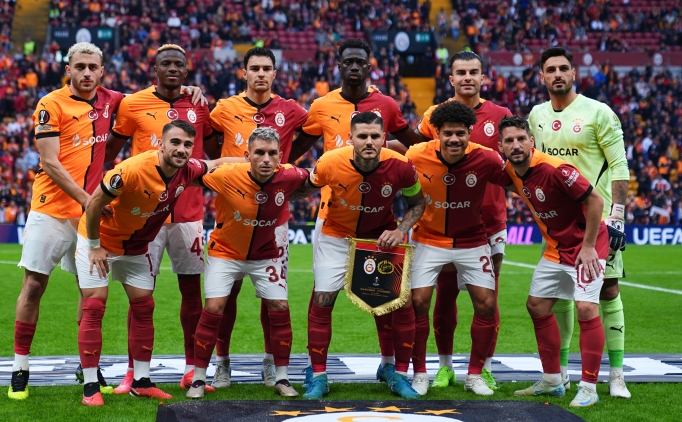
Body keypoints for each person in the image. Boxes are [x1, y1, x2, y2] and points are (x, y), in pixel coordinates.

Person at [288, 39, 424, 385]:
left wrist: (425, 159)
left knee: (387, 298)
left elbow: (413, 142)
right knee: (323, 295)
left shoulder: (387, 105)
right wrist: (273, 176)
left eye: (359, 62)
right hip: (332, 215)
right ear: (338, 65)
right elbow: (298, 148)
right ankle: (317, 370)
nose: (353, 67)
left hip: (379, 222)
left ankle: (391, 367)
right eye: (347, 61)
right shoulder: (321, 106)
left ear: (368, 66)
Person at [76, 120, 230, 406]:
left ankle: (142, 382)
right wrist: (95, 246)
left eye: (187, 145)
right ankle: (90, 386)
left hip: (136, 246)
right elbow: (94, 203)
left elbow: (217, 164)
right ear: (160, 144)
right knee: (94, 306)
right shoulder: (130, 170)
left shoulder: (187, 170)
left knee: (144, 307)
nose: (181, 149)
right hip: (99, 241)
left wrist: (251, 161)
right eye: (175, 142)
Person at [9, 42, 125, 400]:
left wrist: (188, 89)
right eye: (80, 66)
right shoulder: (51, 103)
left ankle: (87, 366)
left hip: (87, 214)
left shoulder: (113, 100)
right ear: (68, 69)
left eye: (93, 67)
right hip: (51, 209)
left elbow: (153, 100)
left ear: (102, 71)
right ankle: (20, 367)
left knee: (89, 293)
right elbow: (50, 162)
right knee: (33, 285)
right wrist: (89, 200)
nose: (87, 72)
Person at [104, 44, 213, 393]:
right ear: (154, 69)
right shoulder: (133, 103)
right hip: (144, 215)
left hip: (188, 214)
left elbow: (213, 153)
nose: (172, 68)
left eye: (178, 64)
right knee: (140, 297)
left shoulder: (199, 104)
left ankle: (193, 370)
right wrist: (102, 194)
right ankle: (133, 373)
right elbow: (108, 153)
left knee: (191, 292)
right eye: (165, 63)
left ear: (186, 71)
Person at [203, 47, 308, 389]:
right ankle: (222, 364)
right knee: (225, 296)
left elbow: (310, 134)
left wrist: (286, 168)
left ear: (274, 73)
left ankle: (270, 362)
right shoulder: (225, 108)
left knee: (273, 297)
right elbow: (206, 138)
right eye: (254, 68)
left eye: (266, 68)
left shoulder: (290, 109)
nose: (260, 73)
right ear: (244, 73)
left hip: (275, 221)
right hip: (230, 214)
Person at [529, 47, 630, 398]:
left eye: (563, 68)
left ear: (574, 73)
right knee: (560, 295)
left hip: (597, 221)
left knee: (608, 289)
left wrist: (618, 214)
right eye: (550, 69)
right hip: (558, 224)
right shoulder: (536, 115)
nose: (557, 74)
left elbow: (619, 165)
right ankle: (561, 374)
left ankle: (616, 375)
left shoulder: (599, 112)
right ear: (542, 76)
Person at [187, 127, 309, 399]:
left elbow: (315, 178)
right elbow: (189, 177)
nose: (266, 159)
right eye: (259, 153)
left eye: (272, 153)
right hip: (225, 253)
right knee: (214, 307)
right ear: (247, 155)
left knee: (280, 307)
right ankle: (199, 378)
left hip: (266, 254)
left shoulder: (290, 175)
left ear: (280, 157)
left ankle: (281, 377)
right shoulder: (227, 174)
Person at [415, 50, 512, 390]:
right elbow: (420, 155)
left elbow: (515, 165)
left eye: (474, 72)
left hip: (490, 221)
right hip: (441, 224)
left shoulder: (501, 115)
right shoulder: (434, 115)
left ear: (483, 77)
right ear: (451, 78)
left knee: (488, 297)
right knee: (443, 296)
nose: (468, 77)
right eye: (461, 72)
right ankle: (444, 367)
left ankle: (483, 368)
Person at [498, 115, 608, 407]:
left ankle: (589, 387)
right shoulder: (509, 169)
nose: (516, 145)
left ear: (531, 141)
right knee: (536, 305)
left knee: (586, 308)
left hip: (587, 245)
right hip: (556, 248)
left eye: (521, 139)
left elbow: (595, 201)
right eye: (509, 140)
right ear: (501, 147)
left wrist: (588, 247)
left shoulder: (556, 169)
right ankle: (552, 381)